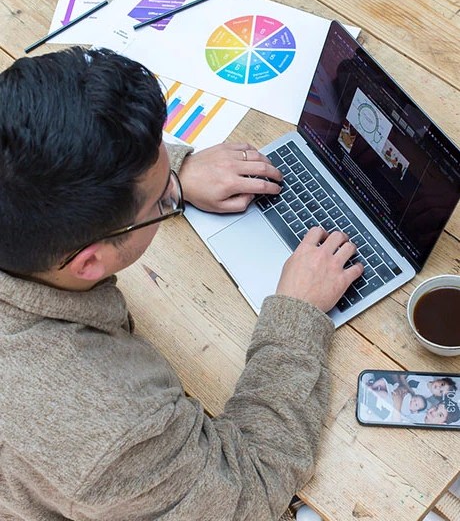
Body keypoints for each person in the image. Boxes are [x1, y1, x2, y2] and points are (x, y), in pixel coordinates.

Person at [0, 47, 363, 520]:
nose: (172, 193)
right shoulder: (113, 434)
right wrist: (295, 318)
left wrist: (171, 168)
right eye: (161, 202)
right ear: (90, 263)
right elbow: (248, 491)